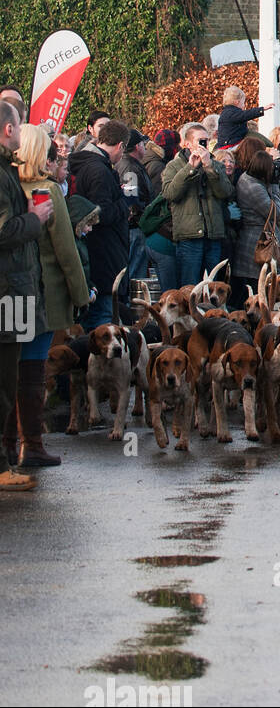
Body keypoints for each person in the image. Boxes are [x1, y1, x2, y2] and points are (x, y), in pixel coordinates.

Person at [11, 125, 88, 468]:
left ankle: (10, 443)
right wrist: (80, 293)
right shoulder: (47, 190)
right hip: (45, 292)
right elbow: (66, 251)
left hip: (13, 293)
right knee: (32, 371)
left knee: (10, 371)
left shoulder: (10, 187)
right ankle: (33, 443)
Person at [0, 101, 53, 490]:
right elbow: (4, 231)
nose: (20, 134)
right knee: (6, 378)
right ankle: (3, 466)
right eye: (18, 126)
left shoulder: (7, 170)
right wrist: (35, 220)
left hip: (15, 287)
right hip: (10, 292)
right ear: (7, 130)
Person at [68, 119, 130, 330]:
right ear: (120, 145)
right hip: (103, 257)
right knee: (101, 324)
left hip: (99, 256)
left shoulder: (92, 166)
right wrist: (123, 203)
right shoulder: (98, 170)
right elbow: (99, 213)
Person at [162, 121, 232, 288]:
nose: (205, 144)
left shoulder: (215, 164)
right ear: (187, 144)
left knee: (211, 286)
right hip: (189, 236)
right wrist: (190, 169)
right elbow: (170, 194)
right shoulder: (174, 165)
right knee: (189, 287)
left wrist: (209, 168)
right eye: (201, 141)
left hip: (212, 234)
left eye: (207, 140)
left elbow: (226, 192)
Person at [231, 137, 280, 307]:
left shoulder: (252, 180)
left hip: (256, 237)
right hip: (255, 242)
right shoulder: (251, 186)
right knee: (257, 292)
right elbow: (275, 212)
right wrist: (274, 185)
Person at [115, 129, 152, 283]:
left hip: (135, 227)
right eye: (143, 143)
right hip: (135, 228)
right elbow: (131, 201)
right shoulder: (129, 167)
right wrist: (143, 212)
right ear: (137, 146)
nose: (145, 147)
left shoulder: (130, 165)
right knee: (135, 274)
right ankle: (133, 305)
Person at [217, 85, 273, 151]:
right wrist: (261, 109)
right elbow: (245, 115)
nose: (244, 105)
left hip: (233, 142)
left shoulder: (228, 112)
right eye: (243, 102)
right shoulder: (230, 113)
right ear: (237, 102)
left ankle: (269, 145)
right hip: (230, 145)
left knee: (256, 138)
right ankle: (269, 146)